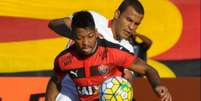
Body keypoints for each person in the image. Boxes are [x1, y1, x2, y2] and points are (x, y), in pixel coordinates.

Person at [45, 11, 172, 101]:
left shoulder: (113, 52)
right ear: (72, 36)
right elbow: (55, 81)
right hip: (75, 92)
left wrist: (157, 85)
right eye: (80, 38)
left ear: (96, 33)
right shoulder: (63, 60)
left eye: (90, 37)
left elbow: (147, 69)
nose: (86, 43)